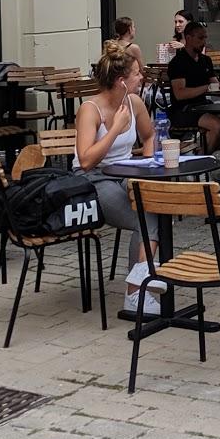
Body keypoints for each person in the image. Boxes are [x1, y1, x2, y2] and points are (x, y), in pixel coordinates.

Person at [73, 42, 161, 316]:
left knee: (157, 210)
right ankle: (137, 294)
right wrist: (115, 130)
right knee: (144, 220)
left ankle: (141, 284)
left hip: (125, 171)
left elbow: (149, 136)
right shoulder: (91, 109)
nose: (142, 77)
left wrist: (147, 165)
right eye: (137, 74)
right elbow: (86, 160)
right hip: (91, 179)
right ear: (121, 81)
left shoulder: (134, 103)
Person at [167, 21, 220, 151]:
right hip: (184, 110)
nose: (204, 42)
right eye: (200, 38)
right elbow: (180, 94)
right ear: (189, 38)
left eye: (205, 38)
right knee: (216, 125)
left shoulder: (205, 60)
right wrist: (206, 88)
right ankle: (203, 157)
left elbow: (213, 82)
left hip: (203, 105)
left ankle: (208, 150)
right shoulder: (178, 62)